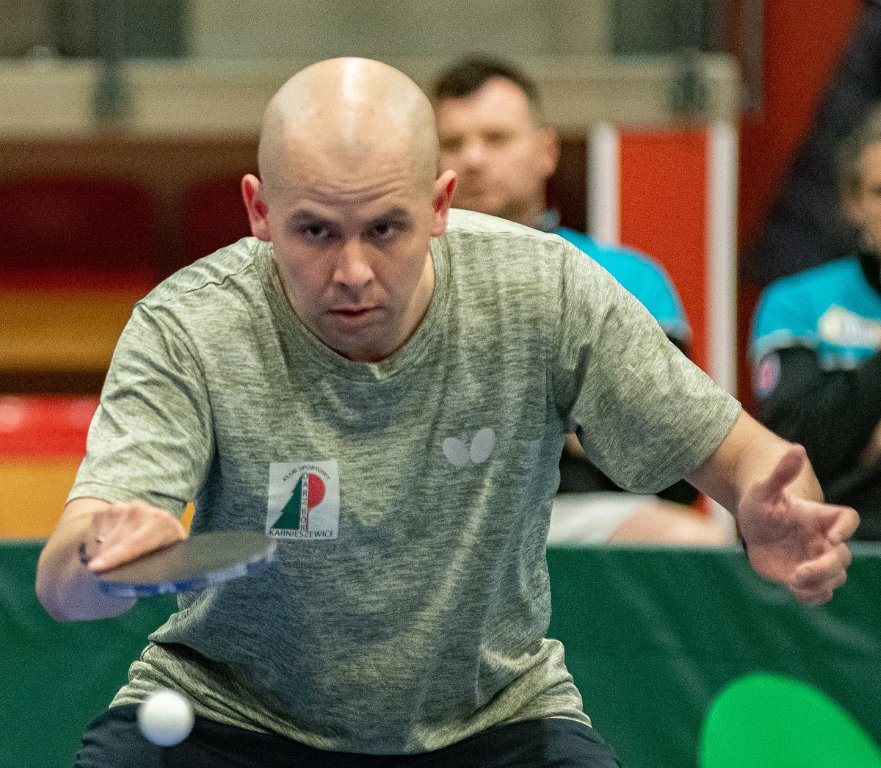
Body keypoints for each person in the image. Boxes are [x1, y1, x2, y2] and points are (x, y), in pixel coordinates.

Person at [35, 57, 856, 768]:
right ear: (258, 212)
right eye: (314, 231)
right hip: (227, 718)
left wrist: (771, 508)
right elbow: (62, 587)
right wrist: (101, 562)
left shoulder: (543, 290)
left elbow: (752, 461)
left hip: (492, 722)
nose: (352, 272)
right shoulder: (189, 326)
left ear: (438, 204)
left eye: (384, 228)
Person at [431, 55, 730, 545]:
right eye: (453, 143)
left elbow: (672, 462)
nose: (474, 159)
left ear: (546, 150)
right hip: (441, 513)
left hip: (576, 514)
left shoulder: (629, 278)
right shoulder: (402, 277)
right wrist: (573, 411)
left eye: (497, 138)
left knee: (695, 540)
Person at [751, 103, 881, 541]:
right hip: (839, 538)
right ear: (853, 203)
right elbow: (795, 449)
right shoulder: (795, 302)